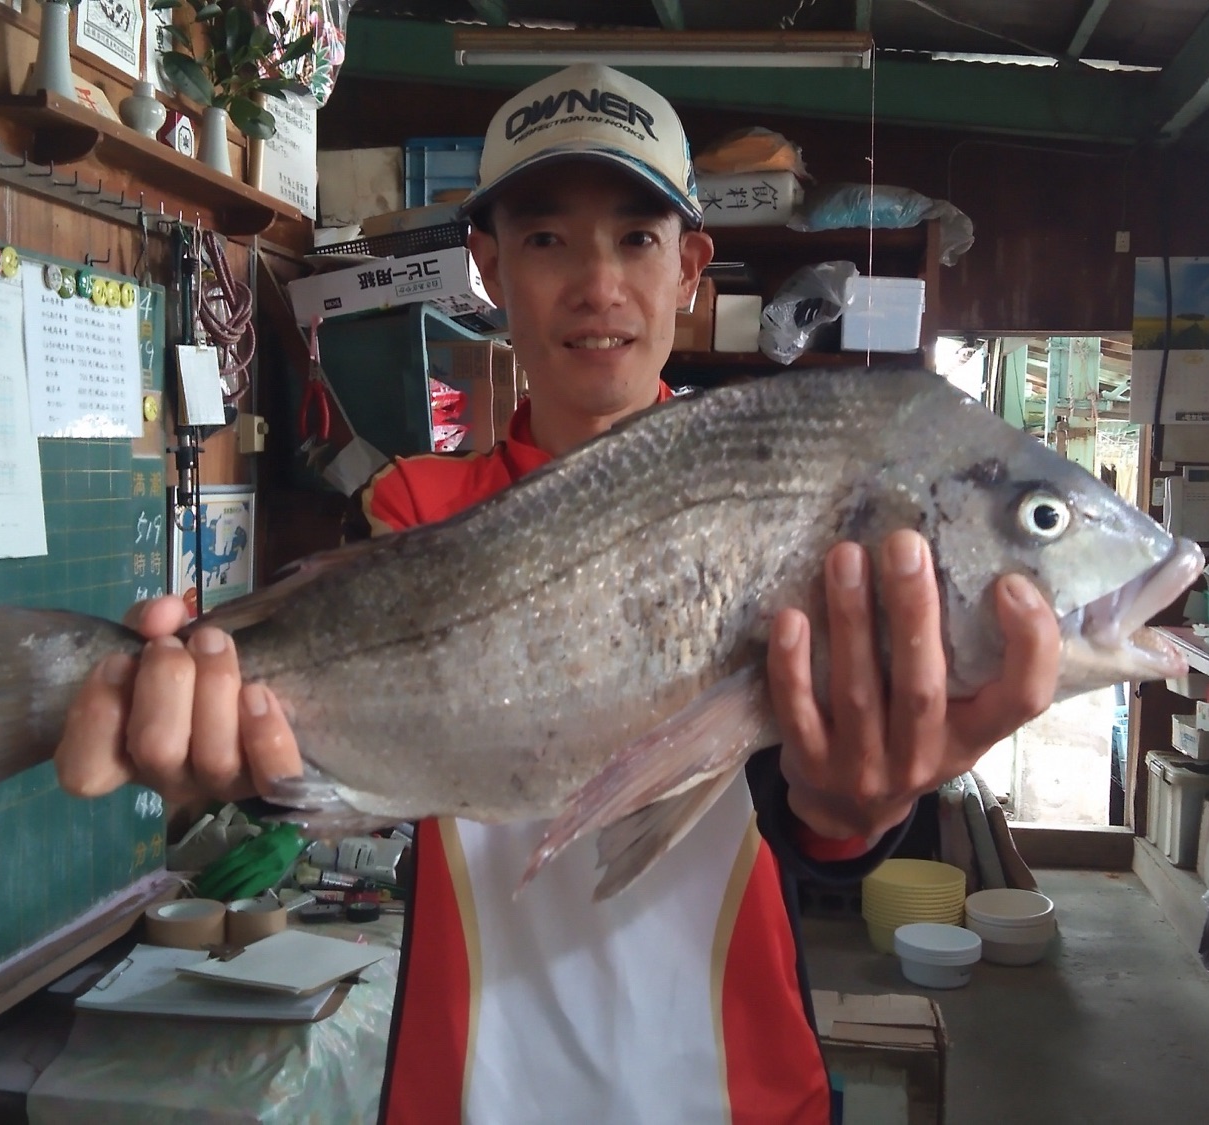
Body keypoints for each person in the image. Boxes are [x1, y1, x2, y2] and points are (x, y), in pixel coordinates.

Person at [53, 63, 1063, 1124]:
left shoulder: (785, 503)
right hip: (476, 1076)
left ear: (689, 268)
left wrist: (857, 811)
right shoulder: (415, 507)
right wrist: (220, 743)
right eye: (544, 239)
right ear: (487, 267)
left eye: (636, 237)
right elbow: (344, 744)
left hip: (735, 1078)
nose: (596, 284)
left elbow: (801, 814)